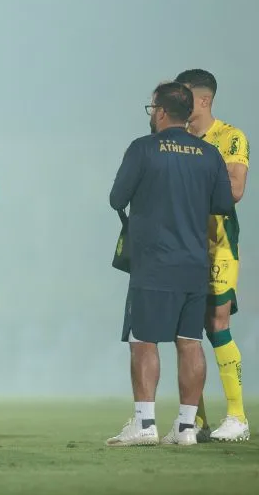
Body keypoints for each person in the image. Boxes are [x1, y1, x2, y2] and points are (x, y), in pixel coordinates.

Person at [106, 82, 234, 447]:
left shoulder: (143, 149)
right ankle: (185, 428)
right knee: (191, 343)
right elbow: (223, 203)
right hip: (195, 263)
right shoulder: (209, 154)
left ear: (161, 111)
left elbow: (117, 197)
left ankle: (145, 424)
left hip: (153, 262)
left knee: (143, 341)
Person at [175, 69, 250, 442]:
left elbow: (234, 190)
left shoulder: (230, 137)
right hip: (180, 245)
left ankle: (237, 416)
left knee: (217, 324)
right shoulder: (174, 139)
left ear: (203, 100)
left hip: (218, 245)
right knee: (185, 331)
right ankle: (197, 420)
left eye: (185, 96)